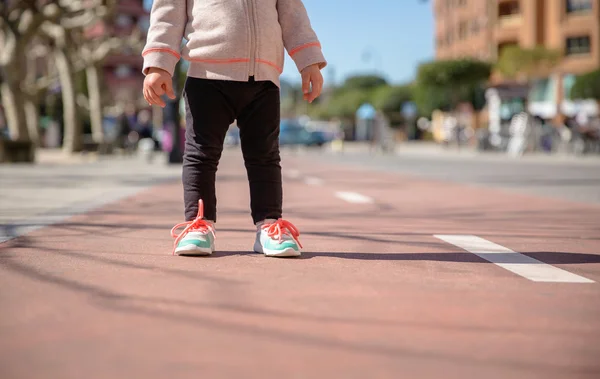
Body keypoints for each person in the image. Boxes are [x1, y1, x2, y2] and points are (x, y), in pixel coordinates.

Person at [142, 0, 326, 257]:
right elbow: (168, 13)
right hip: (207, 77)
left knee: (265, 157)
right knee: (201, 155)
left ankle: (269, 225)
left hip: (264, 79)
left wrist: (309, 61)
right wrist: (159, 63)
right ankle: (199, 224)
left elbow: (293, 14)